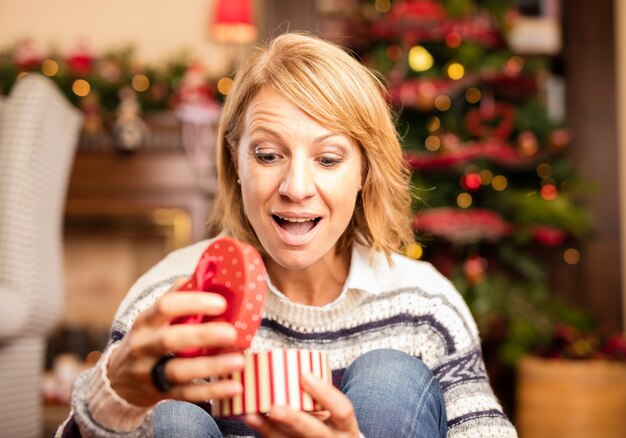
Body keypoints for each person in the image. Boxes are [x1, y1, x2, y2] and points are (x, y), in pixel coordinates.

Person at [56, 33, 517, 437]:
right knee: (172, 417)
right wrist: (114, 394)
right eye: (269, 155)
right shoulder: (170, 298)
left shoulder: (424, 306)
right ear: (236, 160)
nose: (296, 189)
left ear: (365, 172)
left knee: (390, 378)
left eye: (329, 159)